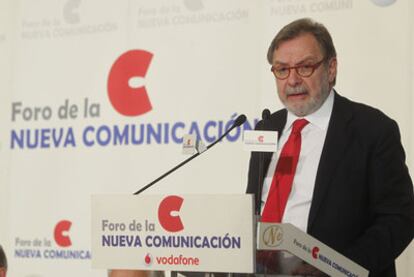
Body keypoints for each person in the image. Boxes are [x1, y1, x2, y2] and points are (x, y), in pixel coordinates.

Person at [246, 18, 414, 277]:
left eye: (305, 67)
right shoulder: (267, 128)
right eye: (282, 69)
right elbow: (254, 209)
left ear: (331, 68)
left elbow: (399, 219)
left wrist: (335, 267)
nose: (292, 80)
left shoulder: (373, 129)